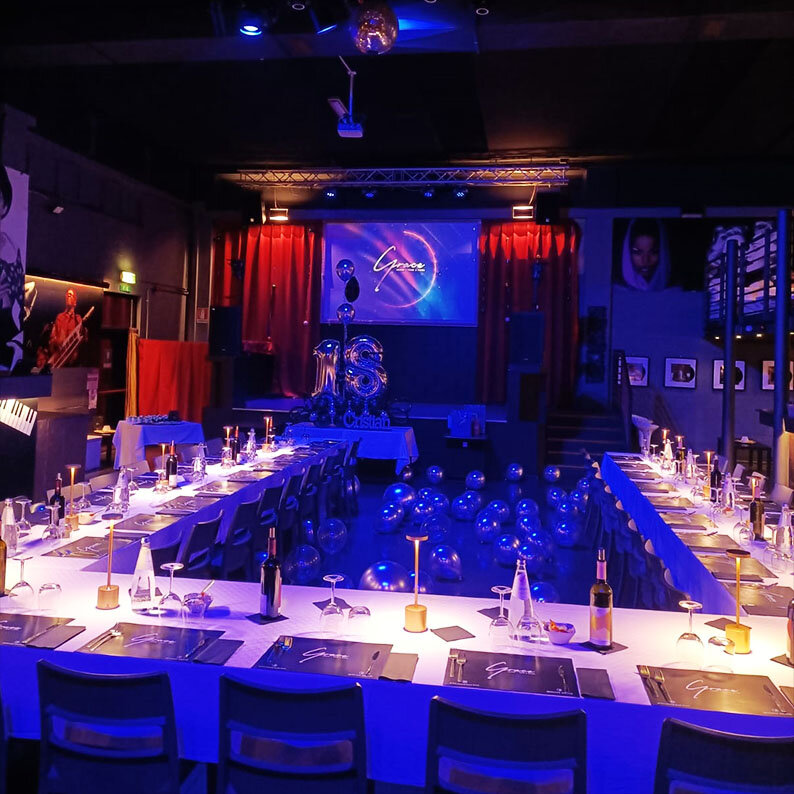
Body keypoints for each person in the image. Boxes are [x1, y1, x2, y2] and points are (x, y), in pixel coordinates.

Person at [620, 218, 671, 291]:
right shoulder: (615, 291)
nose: (645, 260)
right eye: (637, 252)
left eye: (653, 252)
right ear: (627, 253)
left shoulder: (676, 292)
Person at [47, 288, 86, 367]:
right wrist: (57, 341)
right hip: (60, 358)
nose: (68, 296)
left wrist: (84, 332)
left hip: (73, 361)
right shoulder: (59, 317)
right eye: (67, 295)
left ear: (75, 302)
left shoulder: (78, 319)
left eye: (70, 295)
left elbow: (83, 340)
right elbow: (52, 338)